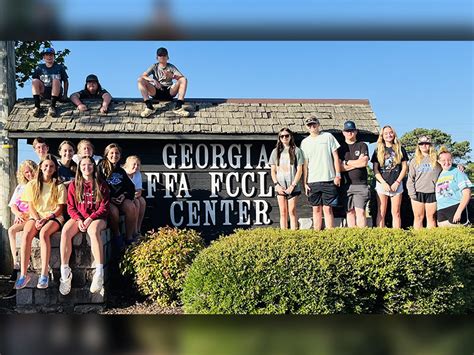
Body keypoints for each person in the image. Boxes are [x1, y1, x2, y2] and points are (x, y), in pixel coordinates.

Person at [59, 156, 110, 296]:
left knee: (93, 231)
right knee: (65, 232)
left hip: (98, 218)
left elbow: (104, 208)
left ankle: (99, 273)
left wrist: (90, 219)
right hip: (79, 218)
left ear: (94, 167)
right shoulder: (74, 185)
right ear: (79, 168)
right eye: (83, 165)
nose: (86, 168)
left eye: (89, 165)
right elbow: (70, 207)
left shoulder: (101, 184)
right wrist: (79, 219)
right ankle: (65, 273)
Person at [15, 155, 67, 290]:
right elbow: (31, 206)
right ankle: (23, 274)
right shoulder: (32, 184)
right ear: (41, 167)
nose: (48, 168)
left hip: (53, 217)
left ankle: (44, 274)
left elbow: (60, 208)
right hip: (36, 216)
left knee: (44, 234)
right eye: (45, 165)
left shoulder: (59, 185)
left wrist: (47, 218)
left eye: (51, 166)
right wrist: (37, 219)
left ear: (55, 169)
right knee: (27, 234)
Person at [4, 160, 37, 299]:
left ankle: (19, 267)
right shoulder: (20, 187)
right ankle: (16, 263)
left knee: (19, 232)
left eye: (31, 171)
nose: (29, 174)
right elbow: (13, 205)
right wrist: (17, 214)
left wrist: (28, 215)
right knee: (11, 230)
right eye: (26, 172)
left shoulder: (37, 185)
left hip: (32, 217)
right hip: (21, 217)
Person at [301, 116, 341, 230]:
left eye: (314, 124)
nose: (312, 127)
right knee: (316, 209)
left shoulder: (328, 137)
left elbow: (335, 157)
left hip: (328, 179)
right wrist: (305, 182)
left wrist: (338, 175)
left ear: (318, 124)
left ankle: (330, 234)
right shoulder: (305, 142)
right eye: (309, 125)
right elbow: (305, 165)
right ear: (307, 127)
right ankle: (317, 234)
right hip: (313, 180)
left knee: (328, 209)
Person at [98, 143, 137, 246]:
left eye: (117, 153)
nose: (114, 155)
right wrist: (110, 198)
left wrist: (124, 195)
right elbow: (98, 187)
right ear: (106, 154)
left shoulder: (121, 170)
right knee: (114, 212)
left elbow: (130, 188)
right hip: (107, 200)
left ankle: (129, 238)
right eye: (112, 153)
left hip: (120, 199)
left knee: (131, 207)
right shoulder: (100, 168)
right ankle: (117, 236)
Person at [371, 125, 408, 229]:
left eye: (390, 132)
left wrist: (397, 182)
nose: (389, 135)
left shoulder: (400, 149)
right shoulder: (378, 150)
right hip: (382, 185)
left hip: (397, 184)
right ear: (382, 135)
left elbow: (404, 167)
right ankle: (380, 235)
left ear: (394, 134)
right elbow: (375, 169)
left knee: (396, 212)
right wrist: (383, 183)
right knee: (381, 211)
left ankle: (396, 234)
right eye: (386, 133)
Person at [137, 47, 191, 118]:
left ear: (167, 57)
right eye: (160, 55)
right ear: (157, 57)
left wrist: (173, 76)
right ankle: (149, 107)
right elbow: (142, 76)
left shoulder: (171, 67)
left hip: (169, 91)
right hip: (156, 91)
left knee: (184, 79)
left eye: (164, 55)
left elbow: (182, 78)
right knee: (140, 80)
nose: (162, 57)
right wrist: (153, 80)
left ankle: (178, 107)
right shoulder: (154, 66)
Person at [269, 128, 304, 230]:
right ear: (279, 138)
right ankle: (283, 235)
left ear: (290, 137)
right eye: (282, 136)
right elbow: (273, 171)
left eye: (287, 135)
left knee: (292, 211)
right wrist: (277, 185)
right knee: (283, 213)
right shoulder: (275, 152)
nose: (284, 138)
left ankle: (293, 235)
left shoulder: (297, 151)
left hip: (293, 187)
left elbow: (300, 170)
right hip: (280, 187)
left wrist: (293, 185)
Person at [338, 120, 370, 228]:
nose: (349, 133)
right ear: (343, 132)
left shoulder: (362, 145)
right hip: (346, 185)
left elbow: (364, 162)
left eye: (351, 130)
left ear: (356, 131)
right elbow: (339, 168)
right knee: (350, 212)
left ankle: (361, 237)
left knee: (360, 212)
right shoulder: (340, 148)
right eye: (347, 131)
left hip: (360, 184)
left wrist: (346, 162)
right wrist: (357, 163)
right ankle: (352, 236)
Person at [406, 135, 441, 229]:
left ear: (430, 145)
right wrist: (412, 194)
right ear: (418, 146)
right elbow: (410, 179)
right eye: (421, 144)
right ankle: (419, 240)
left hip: (433, 193)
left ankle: (431, 240)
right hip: (418, 193)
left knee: (431, 218)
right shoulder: (414, 161)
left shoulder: (437, 159)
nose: (424, 145)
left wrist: (459, 166)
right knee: (418, 217)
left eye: (426, 143)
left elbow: (448, 164)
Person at [435, 147, 472, 226]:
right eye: (443, 160)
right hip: (441, 210)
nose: (447, 162)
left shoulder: (458, 172)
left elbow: (467, 193)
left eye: (449, 160)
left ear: (452, 160)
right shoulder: (439, 175)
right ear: (439, 161)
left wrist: (459, 211)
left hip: (456, 207)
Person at [31, 47, 69, 117]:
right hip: (44, 92)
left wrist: (65, 94)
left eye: (51, 55)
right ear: (44, 57)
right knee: (35, 81)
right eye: (47, 55)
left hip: (56, 92)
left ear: (54, 56)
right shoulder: (39, 67)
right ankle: (37, 106)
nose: (49, 57)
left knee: (55, 79)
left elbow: (66, 81)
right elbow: (35, 81)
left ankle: (52, 106)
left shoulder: (59, 67)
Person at [123, 155, 146, 236]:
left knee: (142, 201)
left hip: (133, 196)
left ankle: (138, 229)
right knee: (137, 202)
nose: (136, 167)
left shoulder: (138, 174)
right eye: (134, 164)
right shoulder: (122, 173)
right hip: (123, 198)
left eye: (138, 165)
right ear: (128, 164)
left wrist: (134, 195)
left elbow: (139, 191)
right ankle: (134, 232)